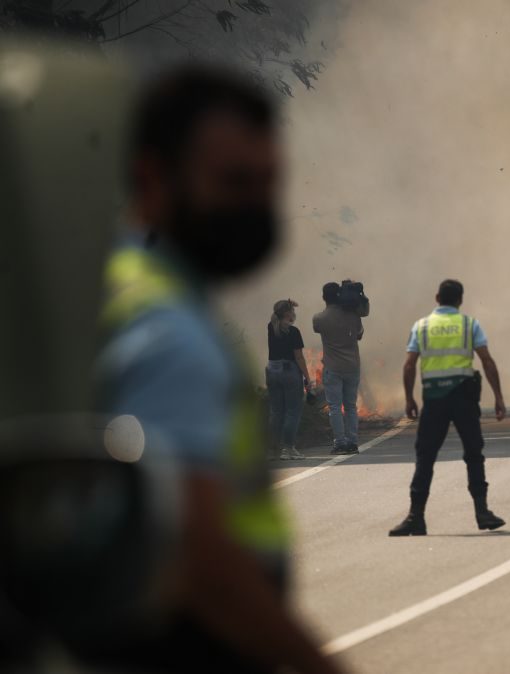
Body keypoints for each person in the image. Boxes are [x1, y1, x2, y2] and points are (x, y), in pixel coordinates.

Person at [93, 66, 344, 674]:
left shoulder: (129, 289)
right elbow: (202, 559)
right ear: (153, 177)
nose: (254, 205)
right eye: (233, 182)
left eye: (266, 183)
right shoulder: (167, 333)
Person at [389, 279, 507, 536]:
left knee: (425, 457)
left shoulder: (422, 326)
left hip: (434, 400)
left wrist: (409, 399)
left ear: (437, 298)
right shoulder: (468, 324)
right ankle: (482, 512)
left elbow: (409, 365)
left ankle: (415, 517)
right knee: (473, 454)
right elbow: (486, 360)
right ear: (460, 300)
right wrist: (498, 396)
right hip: (464, 399)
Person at [312, 281, 369, 455]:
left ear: (323, 297)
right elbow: (359, 335)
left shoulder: (319, 319)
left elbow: (317, 330)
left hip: (333, 367)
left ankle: (340, 443)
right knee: (350, 406)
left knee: (335, 407)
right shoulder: (353, 316)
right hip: (352, 365)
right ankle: (352, 442)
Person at [267, 298, 312, 460]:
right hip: (289, 372)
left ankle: (274, 450)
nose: (295, 314)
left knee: (276, 411)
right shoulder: (294, 332)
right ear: (288, 313)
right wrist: (307, 378)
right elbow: (299, 357)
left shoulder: (271, 327)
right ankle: (288, 449)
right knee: (292, 412)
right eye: (293, 311)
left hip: (272, 371)